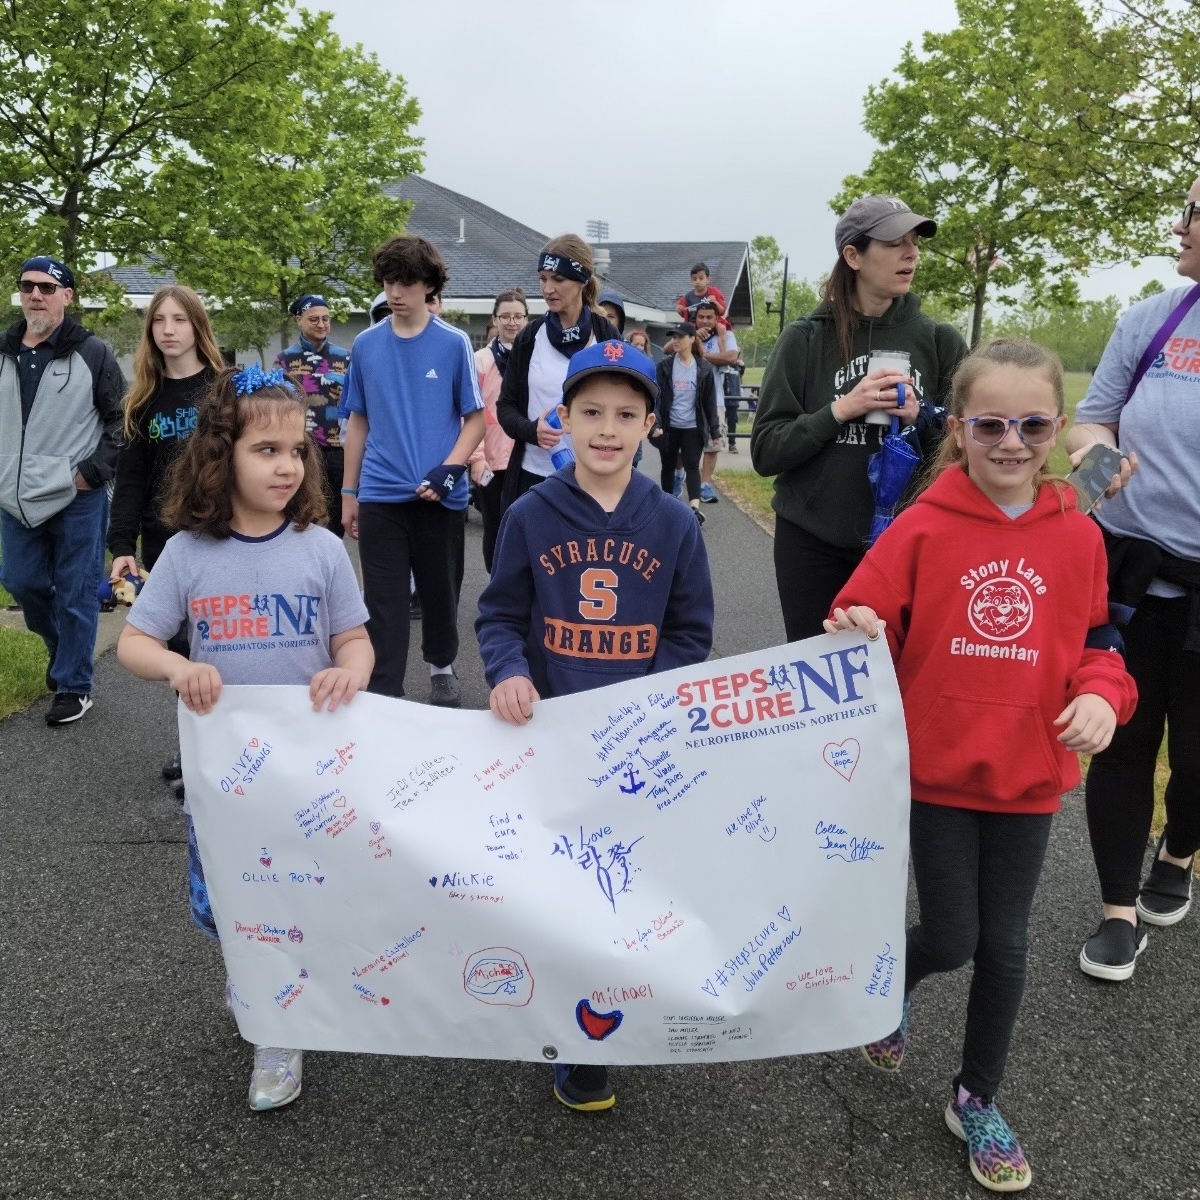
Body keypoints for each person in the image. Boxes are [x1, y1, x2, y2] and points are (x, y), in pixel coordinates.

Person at [825, 338, 1137, 1194]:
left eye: (1032, 424)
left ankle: (976, 1096)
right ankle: (894, 986)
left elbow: (1098, 642)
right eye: (991, 423)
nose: (1012, 441)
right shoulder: (924, 525)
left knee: (1006, 947)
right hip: (935, 775)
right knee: (954, 937)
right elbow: (862, 614)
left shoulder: (1078, 533)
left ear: (1059, 428)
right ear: (958, 429)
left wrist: (1106, 695)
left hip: (1030, 778)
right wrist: (856, 627)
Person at [116, 364, 373, 1111]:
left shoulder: (320, 549)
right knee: (224, 903)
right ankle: (254, 976)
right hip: (224, 779)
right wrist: (175, 665)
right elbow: (134, 643)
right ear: (220, 453)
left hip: (309, 771)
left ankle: (277, 1024)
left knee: (300, 894)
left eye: (298, 450)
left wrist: (351, 673)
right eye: (267, 450)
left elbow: (356, 641)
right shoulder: (190, 554)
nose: (288, 465)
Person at [476, 339, 713, 1113]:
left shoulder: (675, 522)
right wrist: (510, 670)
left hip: (634, 741)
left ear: (650, 423)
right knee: (561, 888)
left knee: (626, 886)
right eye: (590, 413)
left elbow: (690, 631)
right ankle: (574, 1038)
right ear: (563, 420)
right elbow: (502, 614)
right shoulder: (531, 514)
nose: (606, 429)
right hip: (551, 735)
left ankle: (612, 1012)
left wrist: (650, 701)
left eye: (624, 414)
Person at [1072, 180, 1200, 981]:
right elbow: (1095, 415)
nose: (1180, 225)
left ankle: (1178, 854)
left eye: (1194, 210)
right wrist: (1093, 459)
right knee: (1120, 744)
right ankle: (1119, 910)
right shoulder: (1151, 319)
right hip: (1131, 572)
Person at [751, 194, 968, 641]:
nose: (911, 254)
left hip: (908, 546)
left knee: (898, 681)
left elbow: (965, 448)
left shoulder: (939, 341)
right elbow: (767, 451)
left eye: (915, 243)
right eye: (894, 243)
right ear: (853, 255)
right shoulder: (805, 339)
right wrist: (840, 409)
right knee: (821, 686)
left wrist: (921, 417)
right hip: (813, 543)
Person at [340, 236, 485, 706]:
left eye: (405, 282)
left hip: (441, 496)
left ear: (428, 286)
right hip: (382, 493)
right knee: (382, 603)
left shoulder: (453, 342)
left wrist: (450, 468)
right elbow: (357, 420)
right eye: (388, 281)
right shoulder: (364, 345)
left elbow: (476, 418)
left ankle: (441, 665)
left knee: (440, 595)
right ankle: (386, 693)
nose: (395, 292)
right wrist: (348, 492)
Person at [107, 284, 225, 785]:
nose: (169, 329)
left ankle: (235, 744)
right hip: (165, 544)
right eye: (159, 321)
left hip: (222, 537)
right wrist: (121, 548)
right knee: (180, 651)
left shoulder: (226, 389)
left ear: (197, 326)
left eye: (179, 319)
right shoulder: (142, 401)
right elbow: (130, 482)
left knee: (223, 643)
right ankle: (195, 745)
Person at [0, 255, 125, 725]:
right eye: (28, 286)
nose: (36, 295)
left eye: (48, 288)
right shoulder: (3, 351)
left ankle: (74, 685)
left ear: (67, 297)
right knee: (21, 582)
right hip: (15, 499)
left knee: (75, 591)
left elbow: (120, 422)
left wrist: (90, 474)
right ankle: (62, 653)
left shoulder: (92, 353)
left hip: (78, 496)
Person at [495, 235, 619, 512]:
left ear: (582, 279)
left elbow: (628, 406)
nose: (548, 288)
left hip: (594, 480)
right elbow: (505, 407)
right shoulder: (529, 337)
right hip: (533, 478)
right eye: (542, 278)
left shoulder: (606, 336)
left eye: (558, 279)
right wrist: (531, 430)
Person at [274, 294, 351, 539]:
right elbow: (276, 404)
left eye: (326, 319)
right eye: (314, 319)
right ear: (299, 320)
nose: (321, 324)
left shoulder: (345, 358)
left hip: (338, 448)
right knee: (301, 509)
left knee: (337, 514)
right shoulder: (284, 360)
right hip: (302, 448)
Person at [470, 288, 528, 572]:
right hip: (491, 459)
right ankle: (498, 590)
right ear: (494, 319)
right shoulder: (480, 360)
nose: (512, 322)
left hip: (528, 456)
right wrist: (477, 457)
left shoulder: (534, 358)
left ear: (527, 319)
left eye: (518, 316)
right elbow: (470, 412)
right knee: (494, 528)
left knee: (527, 527)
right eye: (505, 316)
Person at [649, 323, 720, 523]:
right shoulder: (664, 367)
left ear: (691, 339)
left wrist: (715, 431)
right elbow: (657, 398)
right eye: (674, 337)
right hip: (669, 426)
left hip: (692, 426)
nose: (676, 341)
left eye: (680, 337)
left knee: (691, 465)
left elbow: (709, 402)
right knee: (668, 465)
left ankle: (695, 509)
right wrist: (656, 424)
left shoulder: (704, 368)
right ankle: (667, 505)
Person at [696, 299, 742, 456]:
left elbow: (731, 358)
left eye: (709, 317)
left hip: (715, 400)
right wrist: (692, 338)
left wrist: (702, 357)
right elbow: (670, 349)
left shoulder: (726, 335)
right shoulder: (688, 335)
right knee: (684, 449)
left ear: (716, 319)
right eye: (701, 317)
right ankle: (683, 478)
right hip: (687, 401)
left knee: (713, 447)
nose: (705, 321)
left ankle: (706, 481)